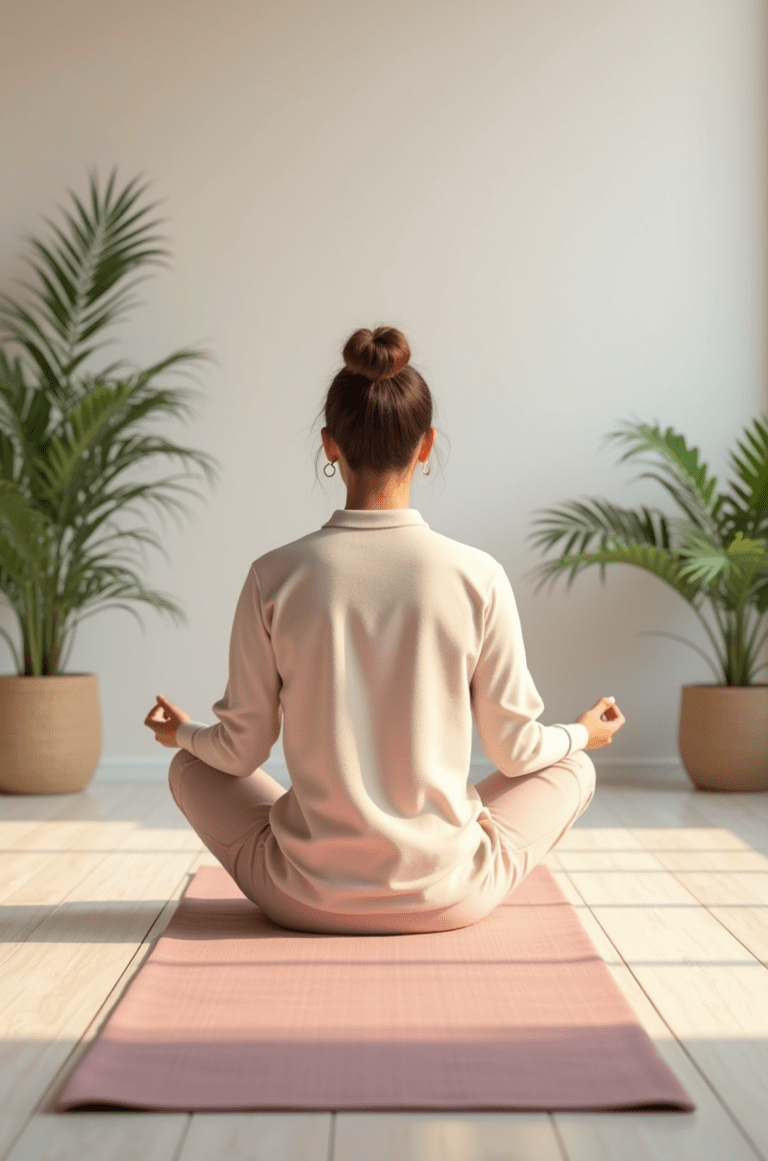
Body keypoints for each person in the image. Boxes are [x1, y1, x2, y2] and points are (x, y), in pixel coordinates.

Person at [144, 324, 626, 935]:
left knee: (191, 768)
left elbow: (239, 753)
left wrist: (181, 732)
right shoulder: (478, 575)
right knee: (572, 767)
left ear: (330, 445)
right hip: (449, 896)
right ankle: (448, 857)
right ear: (425, 446)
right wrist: (582, 734)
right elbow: (516, 751)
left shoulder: (275, 575)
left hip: (303, 896)